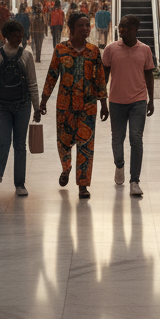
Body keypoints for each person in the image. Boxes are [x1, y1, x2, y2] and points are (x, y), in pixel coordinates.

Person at [41, 11, 108, 198]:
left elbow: (100, 79)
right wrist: (43, 100)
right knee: (64, 142)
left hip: (88, 106)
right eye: (81, 25)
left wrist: (104, 103)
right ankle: (66, 167)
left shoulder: (94, 51)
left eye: (87, 25)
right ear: (72, 28)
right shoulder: (61, 50)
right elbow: (52, 76)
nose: (86, 29)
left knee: (86, 145)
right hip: (65, 105)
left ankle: (83, 185)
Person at [0, 17, 41, 196]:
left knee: (20, 145)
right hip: (2, 106)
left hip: (23, 105)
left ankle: (20, 183)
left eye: (20, 34)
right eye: (15, 35)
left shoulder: (27, 56)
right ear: (6, 36)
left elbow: (32, 83)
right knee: (3, 142)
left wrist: (36, 107)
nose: (19, 38)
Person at [103, 13, 154, 197]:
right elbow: (104, 75)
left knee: (136, 139)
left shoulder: (145, 50)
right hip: (116, 101)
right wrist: (102, 101)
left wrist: (151, 100)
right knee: (117, 139)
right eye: (120, 26)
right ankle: (119, 165)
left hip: (138, 101)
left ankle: (135, 180)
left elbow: (149, 75)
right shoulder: (110, 49)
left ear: (135, 30)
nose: (121, 29)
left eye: (125, 26)